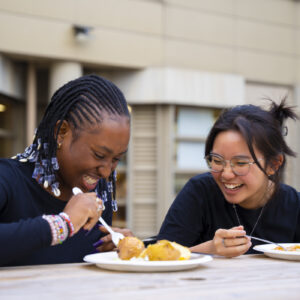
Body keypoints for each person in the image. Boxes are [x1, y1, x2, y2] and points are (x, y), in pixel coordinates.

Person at [0, 74, 132, 266]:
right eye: (99, 155)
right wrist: (63, 225)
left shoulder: (98, 193)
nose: (106, 172)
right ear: (61, 133)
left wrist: (117, 251)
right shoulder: (8, 179)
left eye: (116, 159)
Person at [157, 98, 300, 257]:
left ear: (273, 164)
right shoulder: (199, 192)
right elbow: (160, 256)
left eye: (240, 163)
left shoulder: (295, 206)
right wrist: (210, 248)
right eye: (217, 161)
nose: (226, 174)